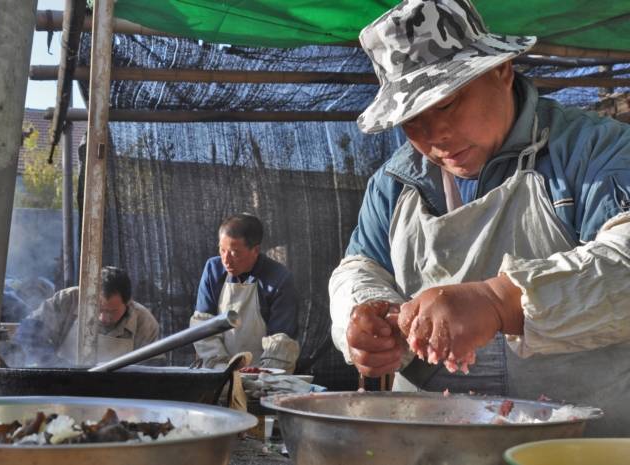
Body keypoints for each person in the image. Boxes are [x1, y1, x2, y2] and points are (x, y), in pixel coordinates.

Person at [329, 0, 630, 435]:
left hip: (581, 447)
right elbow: (360, 267)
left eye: (447, 103)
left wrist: (499, 300)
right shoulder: (396, 183)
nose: (435, 137)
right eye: (411, 120)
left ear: (501, 71)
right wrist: (365, 317)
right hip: (427, 446)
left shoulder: (594, 151)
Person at [191, 213, 300, 373]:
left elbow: (281, 341)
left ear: (255, 250)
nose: (226, 260)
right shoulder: (212, 270)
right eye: (222, 250)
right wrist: (222, 371)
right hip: (217, 370)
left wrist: (263, 375)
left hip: (263, 373)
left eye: (234, 253)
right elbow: (203, 326)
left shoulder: (280, 279)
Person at [2, 266, 160, 367]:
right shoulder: (67, 301)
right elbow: (28, 332)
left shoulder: (145, 323)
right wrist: (56, 365)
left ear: (128, 302)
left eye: (112, 312)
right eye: (97, 309)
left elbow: (153, 370)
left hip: (117, 395)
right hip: (62, 387)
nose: (103, 318)